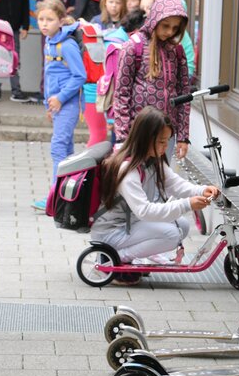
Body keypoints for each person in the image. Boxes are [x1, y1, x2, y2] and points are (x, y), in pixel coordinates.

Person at [91, 106, 219, 285]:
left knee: (181, 225)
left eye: (167, 141)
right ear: (145, 139)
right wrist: (187, 204)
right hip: (112, 232)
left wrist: (201, 190)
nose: (165, 147)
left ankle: (125, 257)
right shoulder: (127, 170)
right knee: (171, 234)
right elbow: (145, 211)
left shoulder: (151, 160)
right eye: (161, 142)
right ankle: (113, 259)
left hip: (130, 223)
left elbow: (174, 183)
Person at [113, 0, 191, 161]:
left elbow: (184, 95)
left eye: (175, 28)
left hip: (166, 134)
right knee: (136, 182)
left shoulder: (177, 51)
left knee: (162, 182)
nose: (170, 32)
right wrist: (122, 137)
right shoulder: (133, 47)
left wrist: (183, 136)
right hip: (138, 133)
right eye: (165, 25)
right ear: (154, 18)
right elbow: (121, 94)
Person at [33, 0, 86, 210]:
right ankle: (69, 195)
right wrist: (49, 103)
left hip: (68, 104)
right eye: (41, 19)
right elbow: (50, 75)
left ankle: (55, 198)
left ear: (61, 20)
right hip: (56, 105)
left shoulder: (67, 44)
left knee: (58, 148)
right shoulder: (49, 41)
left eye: (50, 19)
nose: (44, 24)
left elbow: (79, 76)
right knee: (66, 150)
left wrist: (60, 98)